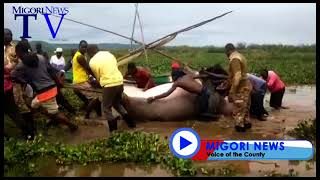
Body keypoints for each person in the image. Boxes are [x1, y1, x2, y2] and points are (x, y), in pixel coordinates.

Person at [11, 40, 78, 132]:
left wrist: (25, 81)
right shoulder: (41, 57)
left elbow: (13, 76)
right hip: (51, 87)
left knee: (54, 113)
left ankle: (71, 125)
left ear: (19, 53)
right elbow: (52, 71)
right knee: (34, 105)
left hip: (44, 93)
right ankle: (52, 116)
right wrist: (58, 83)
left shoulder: (21, 66)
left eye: (17, 53)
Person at [87, 44, 136, 132]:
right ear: (97, 49)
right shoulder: (109, 54)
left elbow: (98, 77)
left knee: (106, 109)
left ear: (89, 53)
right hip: (120, 82)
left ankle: (114, 133)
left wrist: (98, 84)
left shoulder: (92, 61)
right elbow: (114, 67)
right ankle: (132, 125)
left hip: (109, 84)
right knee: (116, 104)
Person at [147, 68, 228, 119]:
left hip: (204, 94)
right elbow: (201, 76)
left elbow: (166, 94)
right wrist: (207, 75)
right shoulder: (188, 76)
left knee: (200, 114)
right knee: (198, 106)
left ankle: (218, 117)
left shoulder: (177, 83)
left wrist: (154, 97)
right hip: (206, 91)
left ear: (175, 77)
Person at [4, 28, 35, 140]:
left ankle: (30, 129)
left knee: (20, 103)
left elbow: (22, 62)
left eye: (11, 34)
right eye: (7, 34)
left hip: (15, 81)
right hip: (6, 82)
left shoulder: (15, 48)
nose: (10, 35)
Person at [225, 43, 252, 132]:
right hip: (247, 85)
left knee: (238, 109)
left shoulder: (234, 59)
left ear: (228, 51)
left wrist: (232, 90)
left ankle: (239, 132)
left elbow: (237, 75)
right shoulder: (240, 56)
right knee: (245, 108)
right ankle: (247, 124)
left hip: (241, 87)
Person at [72, 40, 101, 119]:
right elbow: (88, 68)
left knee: (95, 97)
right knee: (95, 98)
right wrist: (96, 78)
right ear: (79, 47)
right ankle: (87, 115)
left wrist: (91, 78)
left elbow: (85, 70)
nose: (84, 49)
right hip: (81, 81)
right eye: (83, 47)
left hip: (80, 80)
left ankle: (99, 114)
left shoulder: (80, 55)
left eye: (85, 47)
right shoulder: (80, 57)